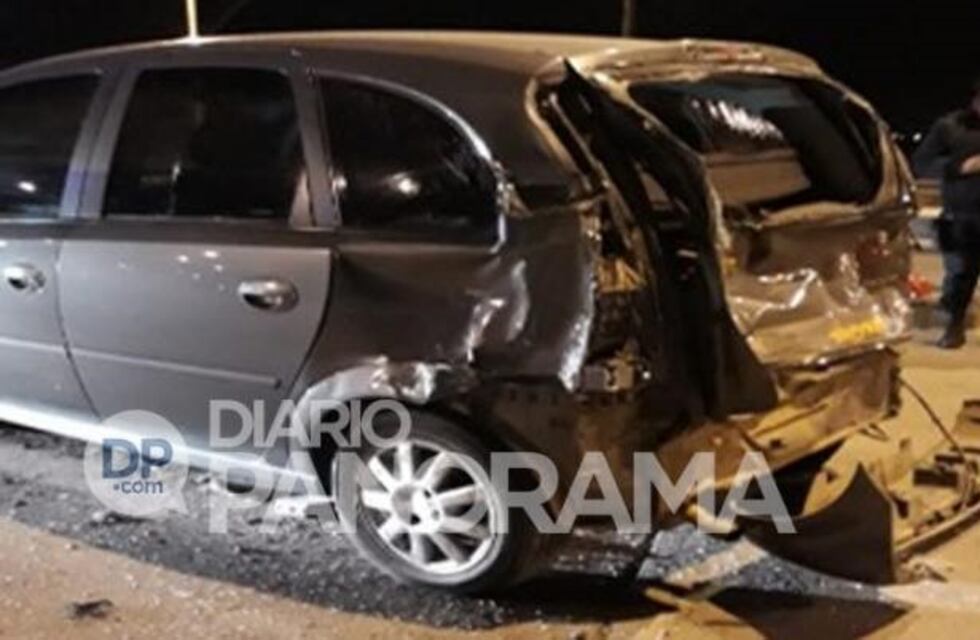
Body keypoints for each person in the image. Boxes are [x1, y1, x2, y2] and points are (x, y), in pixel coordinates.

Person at [913, 78, 980, 349]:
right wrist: (961, 167)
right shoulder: (950, 127)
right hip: (963, 215)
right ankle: (954, 327)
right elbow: (922, 162)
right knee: (963, 273)